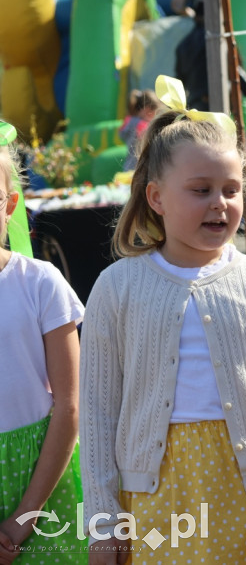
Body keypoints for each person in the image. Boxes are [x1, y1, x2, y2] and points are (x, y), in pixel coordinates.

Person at [80, 80, 246, 564]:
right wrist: (103, 525)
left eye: (232, 190)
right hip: (154, 501)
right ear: (156, 197)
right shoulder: (116, 287)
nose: (220, 203)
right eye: (201, 190)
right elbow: (98, 415)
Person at [0, 122, 87, 563]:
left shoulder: (41, 284)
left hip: (43, 482)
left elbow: (69, 404)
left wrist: (25, 516)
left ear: (10, 204)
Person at [174, 2, 246, 115]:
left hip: (195, 106)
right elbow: (233, 69)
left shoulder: (182, 46)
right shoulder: (215, 41)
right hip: (216, 104)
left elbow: (180, 80)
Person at [120, 90, 160, 170]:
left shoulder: (129, 120)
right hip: (138, 168)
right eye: (154, 113)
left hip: (128, 166)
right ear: (147, 109)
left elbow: (121, 133)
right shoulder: (142, 124)